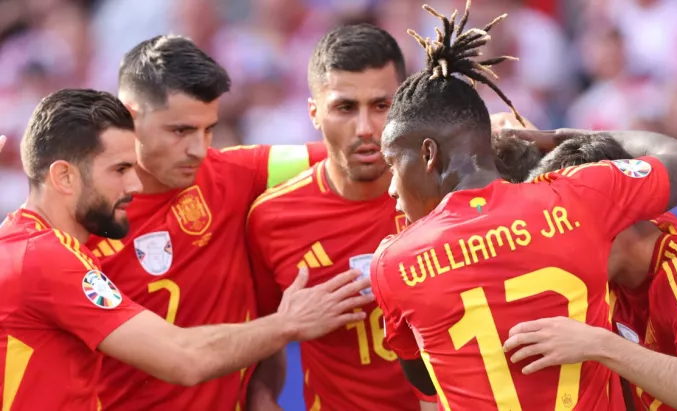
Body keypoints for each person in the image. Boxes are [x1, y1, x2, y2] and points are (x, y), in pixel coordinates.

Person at [369, 0, 677, 409]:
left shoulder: (394, 263)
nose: (392, 187)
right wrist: (558, 136)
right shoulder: (575, 199)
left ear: (429, 155)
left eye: (392, 164)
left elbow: (425, 382)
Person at [0, 89, 373, 411]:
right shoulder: (46, 258)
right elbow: (183, 358)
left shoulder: (23, 243)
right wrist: (288, 322)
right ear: (64, 176)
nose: (134, 184)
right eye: (119, 170)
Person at [85, 35, 340, 411]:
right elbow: (180, 359)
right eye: (180, 131)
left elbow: (351, 157)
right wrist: (289, 323)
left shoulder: (236, 173)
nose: (199, 150)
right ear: (129, 116)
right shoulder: (80, 226)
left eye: (208, 129)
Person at [247, 24, 436, 411]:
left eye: (381, 106)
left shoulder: (445, 197)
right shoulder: (271, 219)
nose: (365, 128)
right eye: (345, 108)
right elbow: (265, 336)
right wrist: (262, 398)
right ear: (314, 112)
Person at [502, 134, 677, 411]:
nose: (558, 247)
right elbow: (600, 159)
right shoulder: (622, 238)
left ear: (616, 219)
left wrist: (600, 345)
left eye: (567, 230)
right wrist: (556, 136)